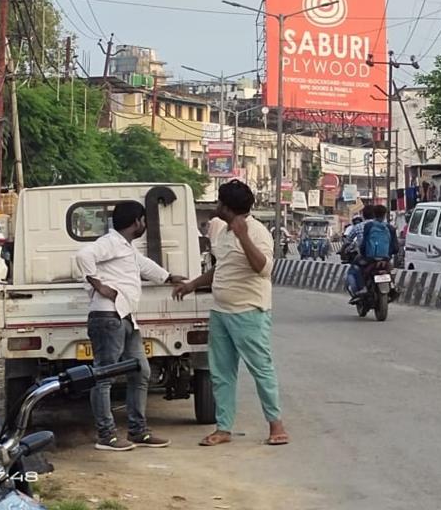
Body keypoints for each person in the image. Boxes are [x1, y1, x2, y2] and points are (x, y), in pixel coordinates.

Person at [172, 180, 288, 447]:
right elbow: (221, 267)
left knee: (261, 369)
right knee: (221, 372)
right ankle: (223, 427)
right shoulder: (222, 233)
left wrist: (243, 235)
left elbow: (264, 268)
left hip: (249, 312)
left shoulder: (257, 232)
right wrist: (192, 284)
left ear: (226, 207)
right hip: (221, 311)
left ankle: (276, 425)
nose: (216, 207)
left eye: (219, 203)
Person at [74, 201, 185, 451]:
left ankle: (138, 431)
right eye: (144, 220)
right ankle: (106, 436)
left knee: (141, 371)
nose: (144, 225)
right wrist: (98, 284)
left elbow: (143, 265)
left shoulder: (125, 247)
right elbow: (83, 255)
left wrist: (168, 277)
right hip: (107, 316)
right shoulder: (110, 243)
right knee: (103, 377)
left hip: (124, 316)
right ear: (137, 221)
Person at [346, 204, 398, 301]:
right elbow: (395, 248)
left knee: (356, 267)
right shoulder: (390, 228)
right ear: (385, 215)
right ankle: (393, 286)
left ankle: (362, 288)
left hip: (370, 258)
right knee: (391, 269)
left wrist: (363, 253)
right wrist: (388, 255)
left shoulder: (369, 226)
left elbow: (364, 243)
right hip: (385, 258)